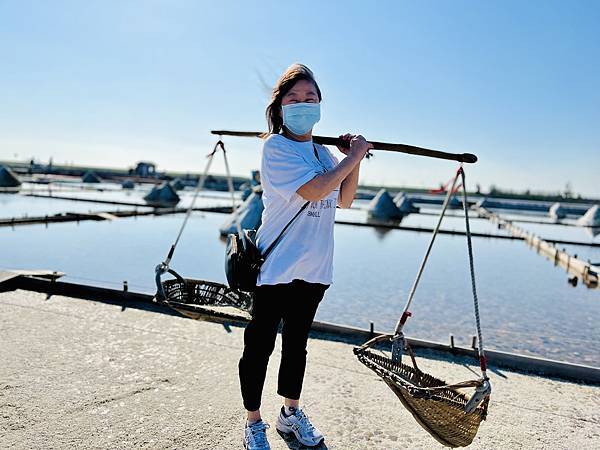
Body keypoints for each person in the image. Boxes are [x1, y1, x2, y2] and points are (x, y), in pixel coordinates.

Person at [239, 63, 372, 449]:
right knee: (259, 346)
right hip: (276, 266)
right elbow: (314, 191)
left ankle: (290, 414)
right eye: (293, 99)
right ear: (280, 106)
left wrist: (353, 159)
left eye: (309, 98)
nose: (302, 104)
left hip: (315, 267)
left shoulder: (325, 153)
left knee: (296, 344)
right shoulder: (276, 147)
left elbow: (343, 199)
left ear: (320, 105)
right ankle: (253, 423)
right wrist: (356, 154)